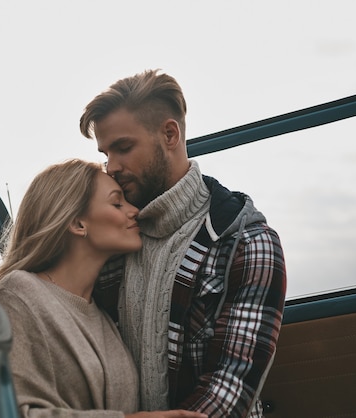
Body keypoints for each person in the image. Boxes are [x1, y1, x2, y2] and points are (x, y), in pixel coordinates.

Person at [79, 70, 287, 418]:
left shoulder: (247, 243)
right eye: (105, 153)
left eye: (124, 148)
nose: (111, 167)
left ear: (170, 134)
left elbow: (227, 395)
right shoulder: (112, 238)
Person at [0, 159, 207, 418]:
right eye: (117, 203)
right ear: (78, 224)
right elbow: (6, 411)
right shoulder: (19, 294)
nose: (135, 211)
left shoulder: (105, 317)